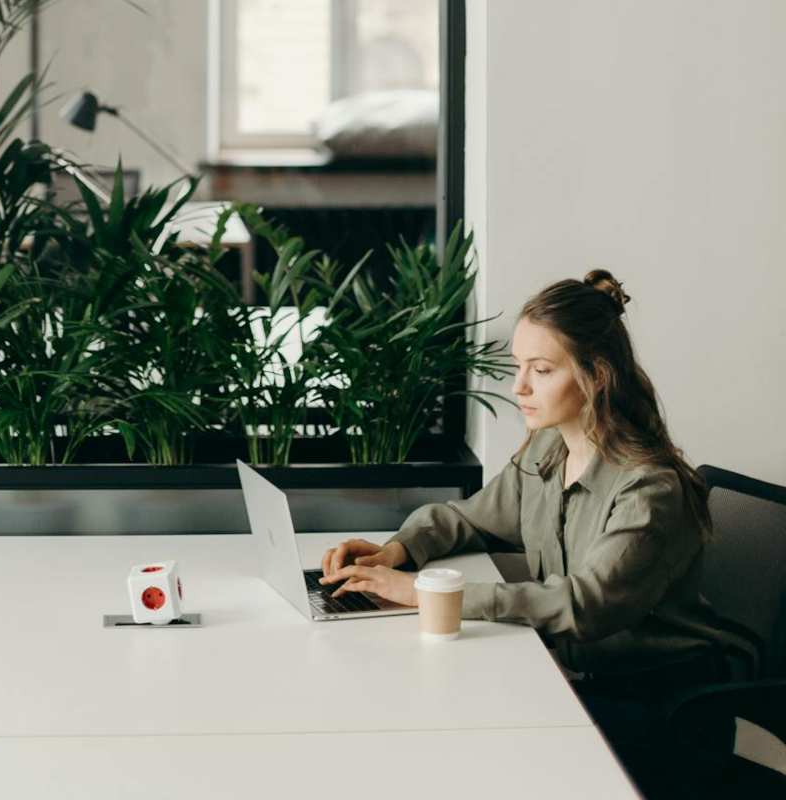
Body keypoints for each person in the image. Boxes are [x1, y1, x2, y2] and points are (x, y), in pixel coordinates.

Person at [319, 269, 753, 798]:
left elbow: (585, 605)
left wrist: (426, 594)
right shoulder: (549, 450)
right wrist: (398, 550)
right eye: (519, 367)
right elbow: (474, 517)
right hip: (581, 683)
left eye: (541, 370)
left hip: (660, 709)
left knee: (468, 744)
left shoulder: (649, 490)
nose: (518, 386)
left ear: (596, 376)